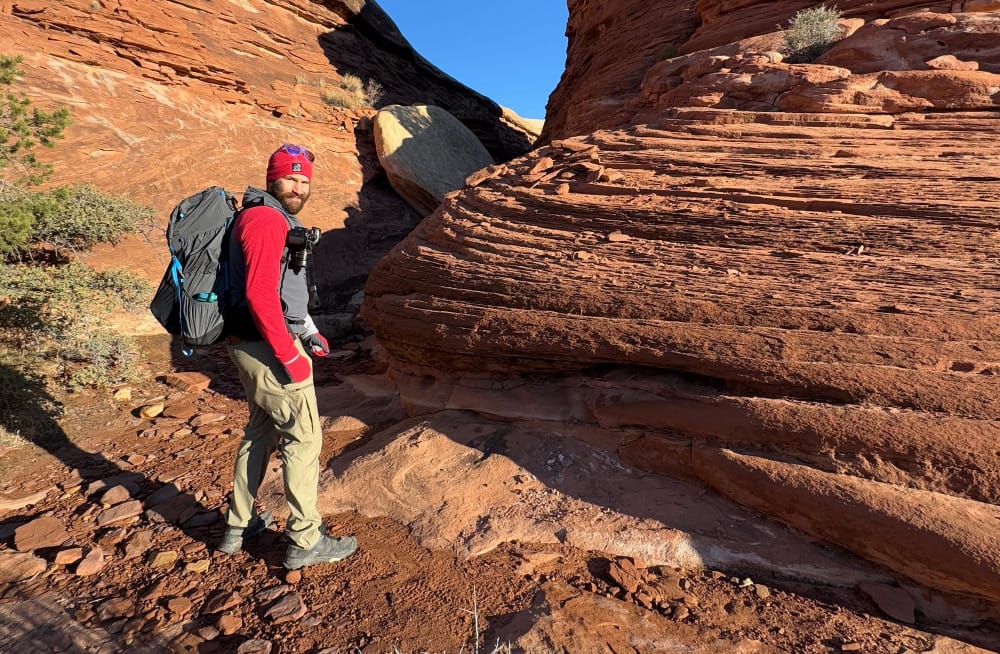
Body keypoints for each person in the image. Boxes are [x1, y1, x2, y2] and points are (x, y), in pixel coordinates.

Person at [216, 143, 358, 570]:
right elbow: (261, 296)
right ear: (271, 178)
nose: (297, 186)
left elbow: (280, 292)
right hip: (267, 347)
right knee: (304, 438)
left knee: (260, 430)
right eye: (289, 178)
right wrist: (291, 356)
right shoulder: (263, 219)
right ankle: (305, 539)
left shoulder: (268, 216)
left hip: (253, 343)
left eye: (303, 180)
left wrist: (308, 331)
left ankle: (237, 527)